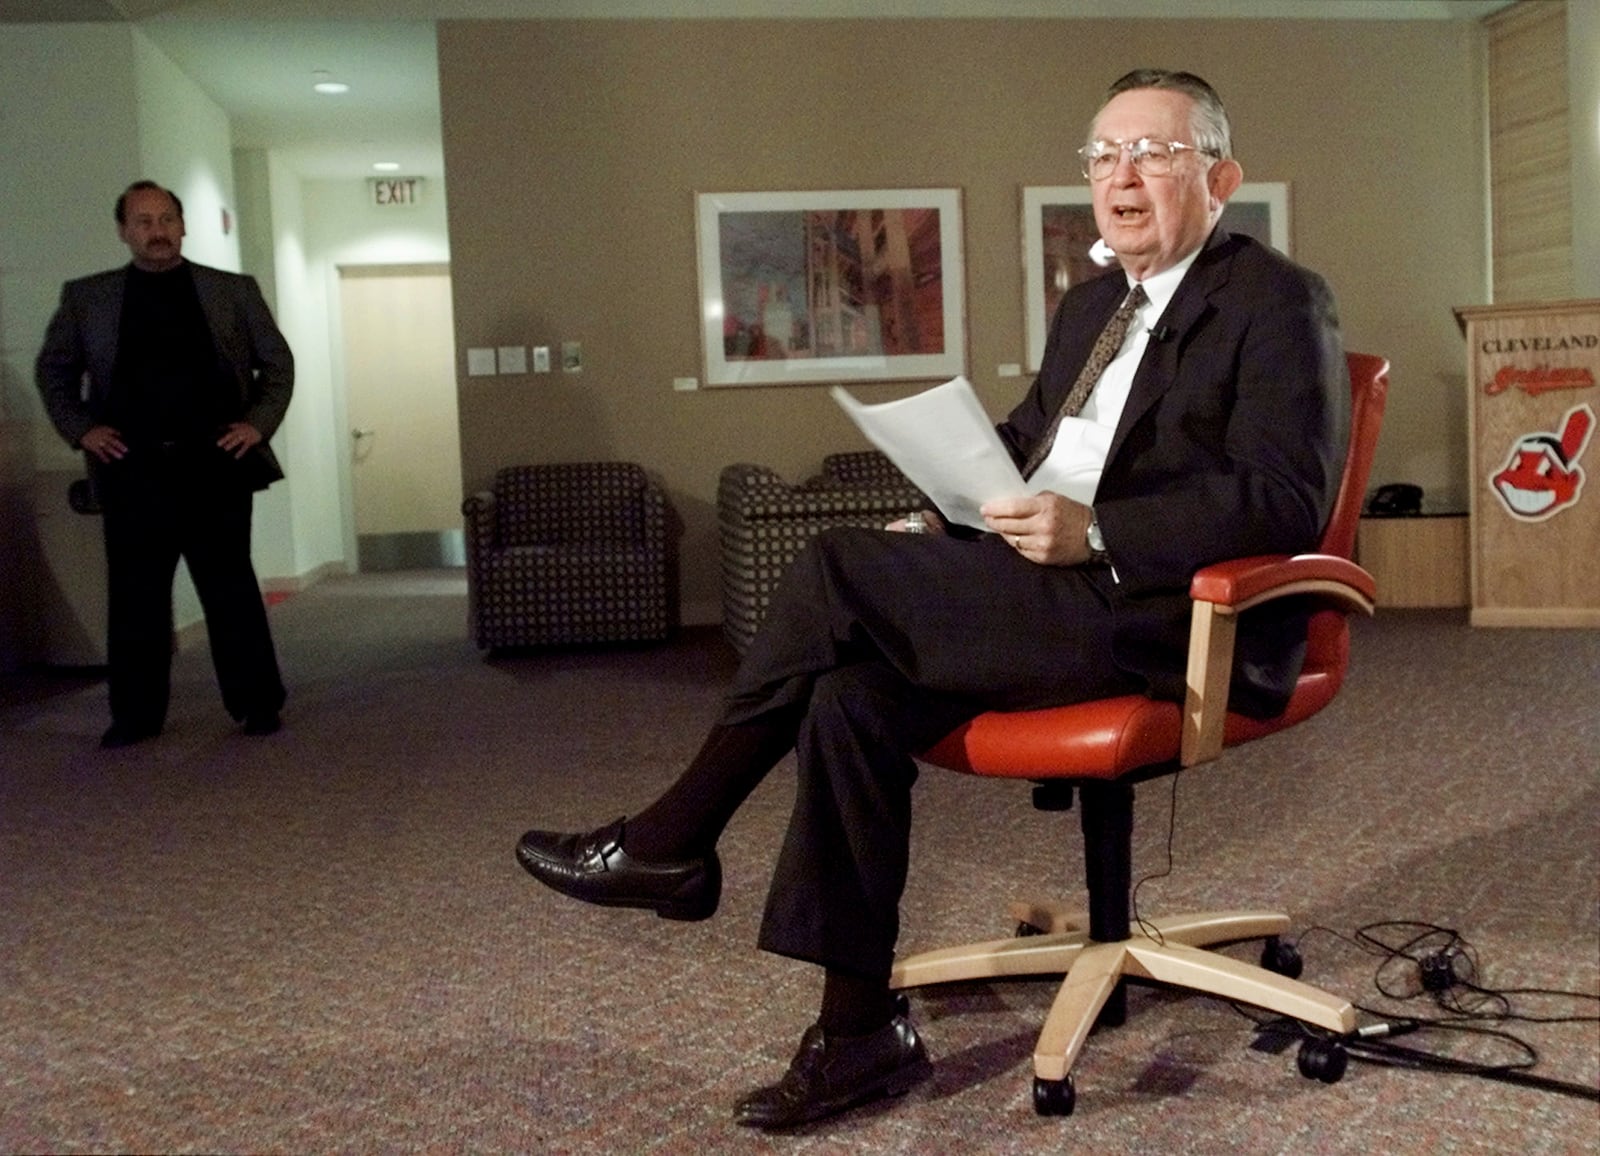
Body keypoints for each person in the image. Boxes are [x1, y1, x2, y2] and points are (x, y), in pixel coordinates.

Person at [516, 69, 1350, 1129]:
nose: (1120, 176)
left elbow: (1286, 497)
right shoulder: (1093, 301)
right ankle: (859, 1030)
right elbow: (1033, 441)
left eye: (1153, 152)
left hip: (1160, 613)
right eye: (1101, 156)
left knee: (831, 566)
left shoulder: (1278, 299)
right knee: (848, 696)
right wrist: (950, 510)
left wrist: (1095, 530)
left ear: (1218, 176)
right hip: (1042, 586)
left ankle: (671, 839)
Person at [36, 180, 294, 749]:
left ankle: (257, 703)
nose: (157, 231)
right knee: (136, 597)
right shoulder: (88, 298)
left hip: (217, 462)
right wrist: (82, 429)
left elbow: (276, 363)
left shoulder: (232, 291)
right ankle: (134, 716)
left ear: (182, 225)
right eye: (144, 221)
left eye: (166, 219)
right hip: (132, 467)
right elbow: (54, 372)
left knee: (229, 588)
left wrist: (258, 423)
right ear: (125, 231)